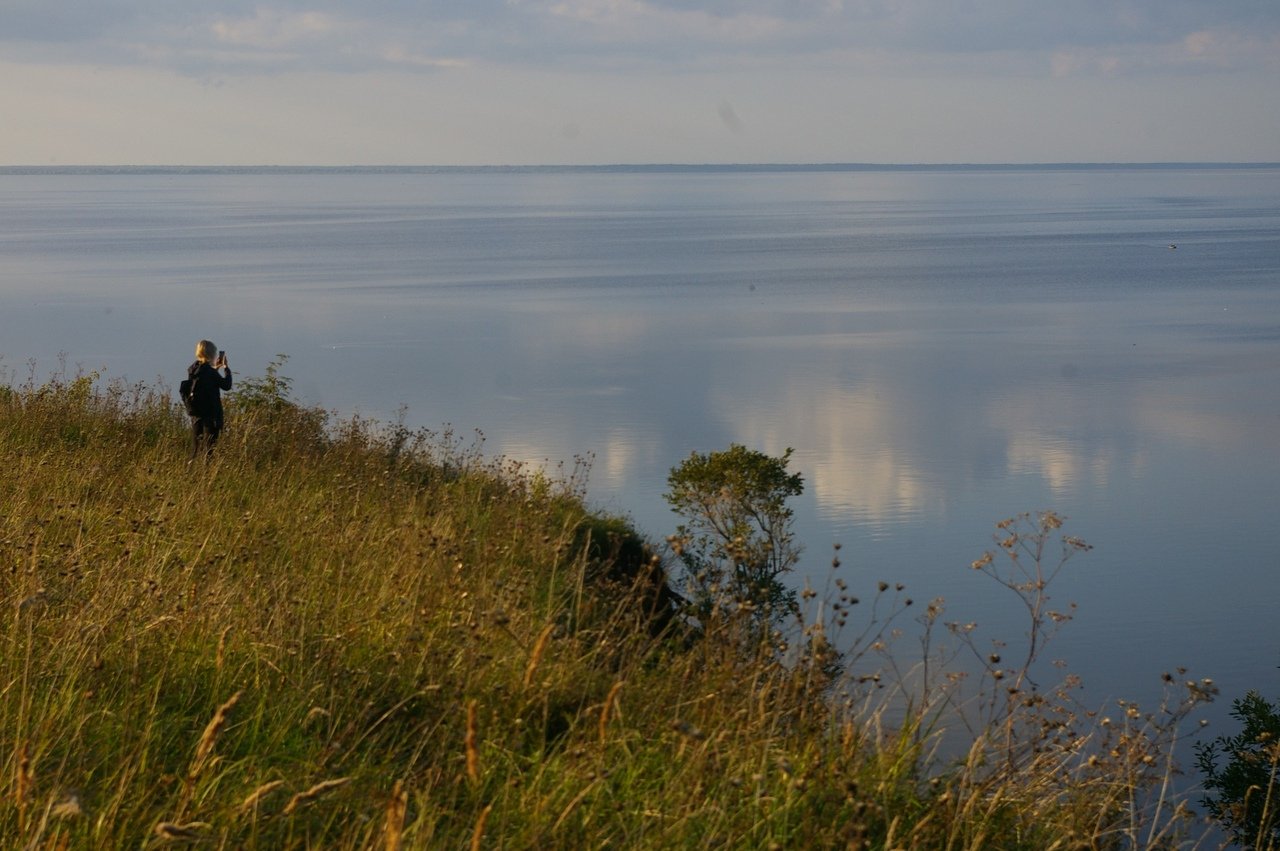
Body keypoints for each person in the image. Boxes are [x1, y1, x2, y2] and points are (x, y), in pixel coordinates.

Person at [187, 340, 233, 459]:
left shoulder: (193, 369)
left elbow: (206, 381)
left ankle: (189, 471)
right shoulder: (211, 373)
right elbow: (226, 385)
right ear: (211, 354)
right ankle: (206, 474)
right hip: (211, 416)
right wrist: (226, 368)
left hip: (196, 414)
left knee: (195, 449)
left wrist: (215, 368)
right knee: (209, 449)